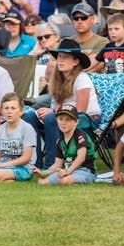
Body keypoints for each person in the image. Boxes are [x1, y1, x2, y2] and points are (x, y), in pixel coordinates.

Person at [33, 39, 101, 168]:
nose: (60, 60)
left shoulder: (82, 79)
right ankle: (34, 164)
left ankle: (51, 164)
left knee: (51, 117)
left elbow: (81, 111)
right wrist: (53, 112)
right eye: (59, 57)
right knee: (30, 117)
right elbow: (58, 107)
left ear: (76, 61)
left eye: (65, 57)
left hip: (87, 119)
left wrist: (54, 113)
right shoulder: (58, 79)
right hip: (65, 116)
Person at [36, 104, 96, 185]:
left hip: (85, 170)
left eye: (68, 119)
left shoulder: (80, 136)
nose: (63, 123)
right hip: (68, 171)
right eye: (61, 119)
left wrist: (67, 171)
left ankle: (76, 182)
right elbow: (57, 164)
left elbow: (81, 158)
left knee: (64, 181)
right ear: (56, 120)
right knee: (42, 182)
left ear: (76, 122)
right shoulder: (60, 140)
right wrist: (43, 173)